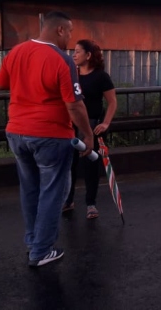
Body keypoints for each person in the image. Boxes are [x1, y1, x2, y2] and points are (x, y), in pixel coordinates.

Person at [0, 11, 94, 267]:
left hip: (17, 131)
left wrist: (27, 83)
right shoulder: (62, 60)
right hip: (50, 134)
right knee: (52, 192)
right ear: (60, 30)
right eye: (70, 31)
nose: (71, 37)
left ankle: (33, 242)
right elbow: (74, 105)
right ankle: (41, 250)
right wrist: (88, 134)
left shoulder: (16, 51)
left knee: (29, 189)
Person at [63, 39, 117, 219]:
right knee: (69, 165)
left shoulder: (101, 76)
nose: (74, 55)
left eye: (78, 51)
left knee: (91, 164)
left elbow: (112, 102)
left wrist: (106, 123)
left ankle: (90, 203)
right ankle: (68, 200)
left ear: (88, 55)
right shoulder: (71, 75)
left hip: (93, 126)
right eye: (74, 51)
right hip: (70, 126)